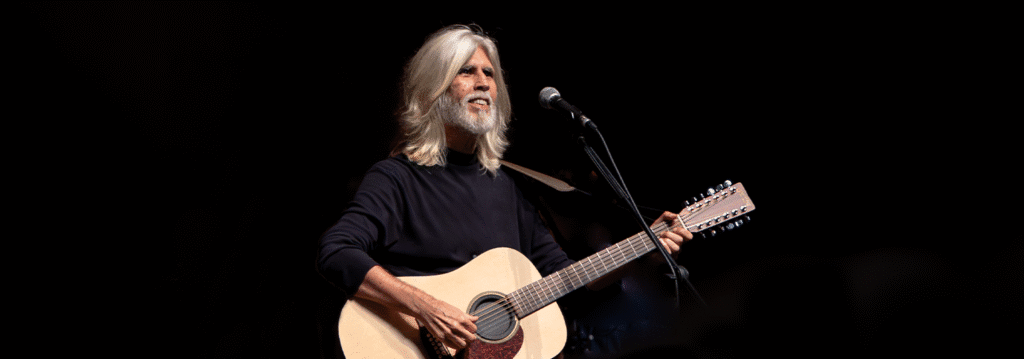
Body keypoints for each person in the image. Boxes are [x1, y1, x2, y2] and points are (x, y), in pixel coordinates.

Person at [316, 24, 692, 353]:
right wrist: (425, 307)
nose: (482, 82)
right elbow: (337, 252)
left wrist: (643, 247)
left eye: (489, 74)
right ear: (433, 89)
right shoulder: (396, 178)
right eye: (467, 71)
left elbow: (566, 282)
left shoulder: (508, 187)